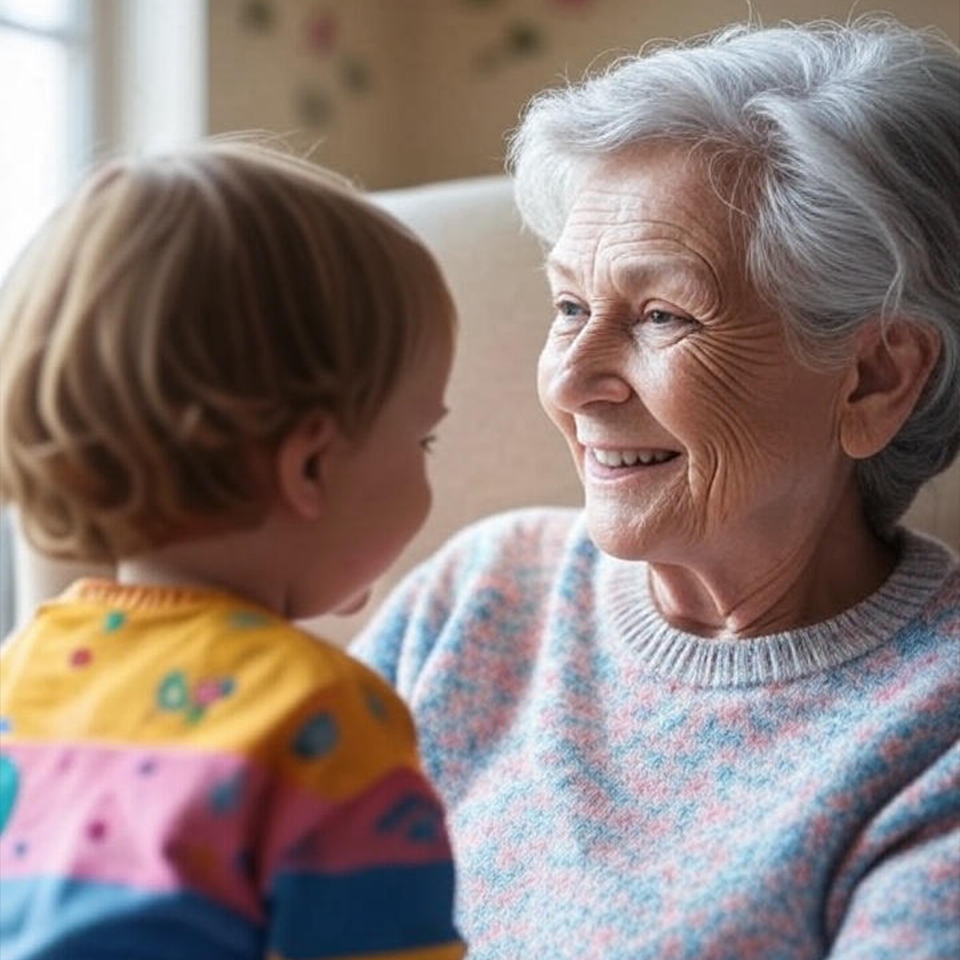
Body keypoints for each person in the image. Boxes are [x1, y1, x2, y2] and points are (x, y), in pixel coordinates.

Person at [352, 18, 960, 960]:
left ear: (876, 377)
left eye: (662, 314)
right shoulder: (481, 596)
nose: (568, 381)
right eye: (569, 307)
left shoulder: (935, 724)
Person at [0, 142, 465, 960]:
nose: (428, 465)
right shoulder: (323, 722)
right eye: (423, 439)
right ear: (310, 465)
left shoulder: (20, 675)